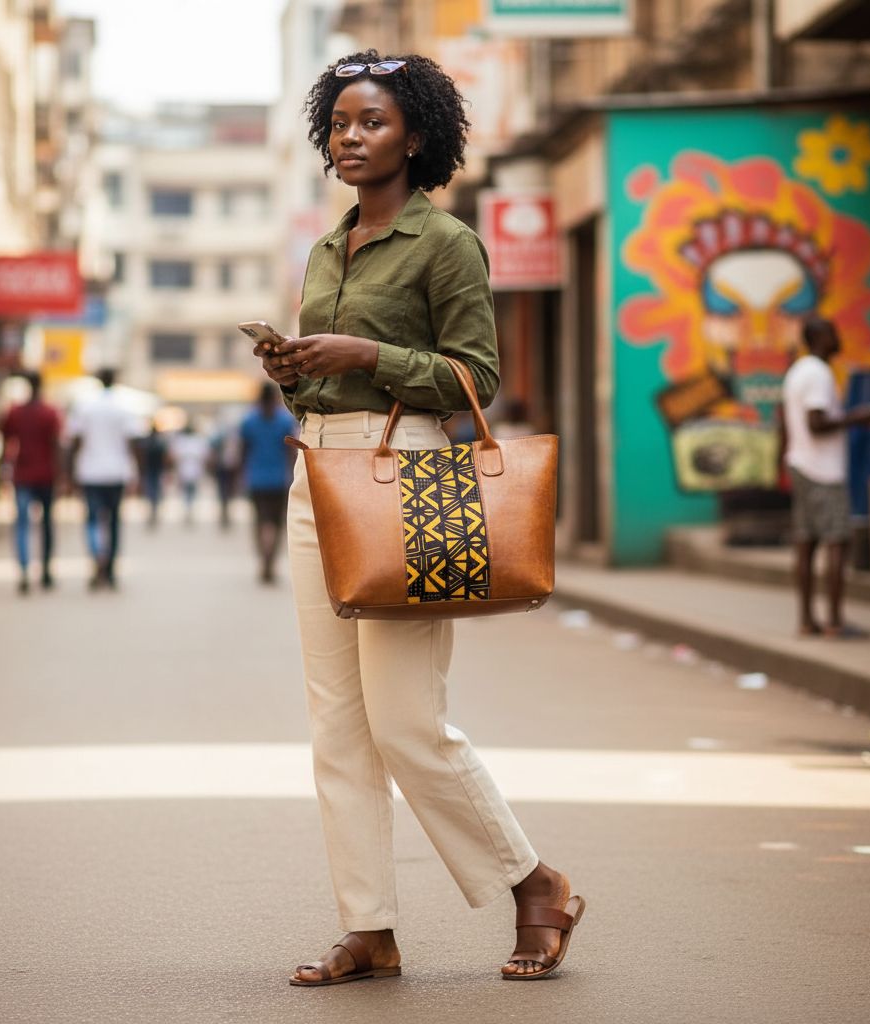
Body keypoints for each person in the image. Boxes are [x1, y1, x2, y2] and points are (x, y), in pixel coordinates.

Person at [254, 50, 585, 986]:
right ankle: (369, 927)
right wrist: (294, 373)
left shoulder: (446, 242)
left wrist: (367, 352)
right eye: (340, 123)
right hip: (321, 475)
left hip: (409, 479)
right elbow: (327, 381)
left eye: (373, 122)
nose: (350, 138)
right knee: (338, 726)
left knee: (405, 720)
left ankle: (536, 882)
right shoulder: (328, 247)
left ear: (417, 137)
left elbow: (476, 378)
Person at [780, 316, 870, 638]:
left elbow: (785, 422)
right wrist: (858, 417)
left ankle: (806, 620)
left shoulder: (797, 371)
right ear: (818, 337)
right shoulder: (818, 373)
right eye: (832, 333)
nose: (838, 338)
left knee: (806, 542)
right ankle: (835, 621)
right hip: (823, 470)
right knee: (837, 540)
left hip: (801, 463)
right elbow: (816, 423)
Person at [66, 368, 143, 590]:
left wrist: (70, 472)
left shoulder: (85, 405)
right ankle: (109, 569)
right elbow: (133, 443)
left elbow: (75, 441)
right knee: (114, 523)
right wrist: (137, 473)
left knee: (92, 520)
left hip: (90, 472)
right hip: (117, 472)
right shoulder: (124, 407)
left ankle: (97, 556)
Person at [0, 371, 61, 594]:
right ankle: (45, 570)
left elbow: (5, 439)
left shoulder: (15, 412)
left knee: (22, 525)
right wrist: (62, 474)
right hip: (46, 474)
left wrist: (3, 468)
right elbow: (57, 445)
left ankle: (24, 570)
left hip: (23, 475)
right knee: (46, 525)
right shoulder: (50, 412)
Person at [239, 383, 298, 583]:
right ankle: (270, 561)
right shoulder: (284, 420)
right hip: (280, 480)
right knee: (276, 523)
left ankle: (263, 560)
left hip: (256, 479)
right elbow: (290, 452)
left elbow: (243, 451)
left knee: (260, 521)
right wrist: (294, 475)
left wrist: (241, 476)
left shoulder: (249, 421)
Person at [169, 419, 208, 526]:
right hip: (188, 469)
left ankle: (189, 508)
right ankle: (188, 508)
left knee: (189, 491)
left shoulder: (186, 441)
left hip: (190, 469)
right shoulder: (194, 440)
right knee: (188, 491)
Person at [208, 421, 242, 529]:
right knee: (226, 490)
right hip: (226, 468)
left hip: (226, 468)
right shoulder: (232, 438)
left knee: (225, 490)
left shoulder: (220, 438)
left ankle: (225, 511)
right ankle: (225, 511)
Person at [139, 423, 168, 528]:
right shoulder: (160, 442)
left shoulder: (147, 442)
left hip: (150, 470)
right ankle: (153, 511)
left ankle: (152, 511)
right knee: (154, 491)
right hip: (155, 470)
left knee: (151, 491)